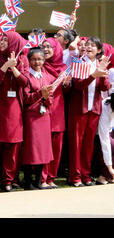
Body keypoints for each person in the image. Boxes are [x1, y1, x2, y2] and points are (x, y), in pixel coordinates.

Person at [0, 31, 29, 193]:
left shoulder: (23, 59)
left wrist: (14, 67)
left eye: (6, 40)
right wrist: (5, 66)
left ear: (14, 43)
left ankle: (8, 181)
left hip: (14, 108)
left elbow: (25, 82)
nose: (2, 42)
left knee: (12, 146)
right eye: (1, 39)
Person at [67, 37, 110, 187]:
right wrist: (93, 75)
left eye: (93, 45)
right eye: (88, 45)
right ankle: (75, 176)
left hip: (94, 109)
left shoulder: (99, 64)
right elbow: (78, 86)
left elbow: (104, 88)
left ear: (99, 50)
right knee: (76, 143)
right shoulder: (79, 62)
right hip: (79, 110)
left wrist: (102, 71)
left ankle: (86, 175)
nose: (89, 47)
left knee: (88, 145)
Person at [40, 38, 72, 189]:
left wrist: (66, 84)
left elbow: (67, 92)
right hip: (44, 109)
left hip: (58, 110)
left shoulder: (64, 68)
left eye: (49, 47)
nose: (45, 49)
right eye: (43, 46)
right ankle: (42, 178)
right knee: (44, 146)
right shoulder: (39, 65)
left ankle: (51, 178)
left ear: (56, 49)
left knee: (56, 146)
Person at [21, 48, 54, 190]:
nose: (37, 62)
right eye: (34, 59)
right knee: (31, 149)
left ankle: (39, 181)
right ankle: (28, 181)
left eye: (40, 59)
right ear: (29, 60)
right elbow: (26, 98)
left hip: (44, 115)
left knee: (43, 149)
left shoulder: (47, 77)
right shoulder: (26, 76)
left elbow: (51, 99)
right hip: (31, 116)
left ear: (44, 60)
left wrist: (46, 97)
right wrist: (40, 93)